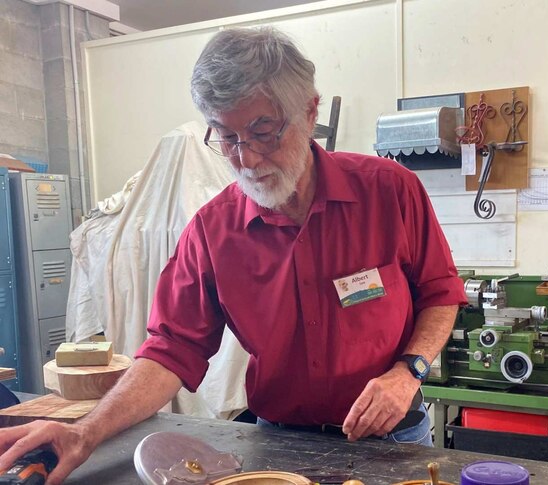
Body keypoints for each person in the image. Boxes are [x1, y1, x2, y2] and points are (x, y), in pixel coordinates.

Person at [0, 27, 466, 484]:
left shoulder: (389, 190)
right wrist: (85, 433)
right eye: (227, 137)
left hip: (394, 439)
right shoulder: (211, 230)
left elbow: (440, 294)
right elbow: (170, 350)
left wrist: (409, 371)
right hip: (279, 444)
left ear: (309, 112)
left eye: (263, 131)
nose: (247, 158)